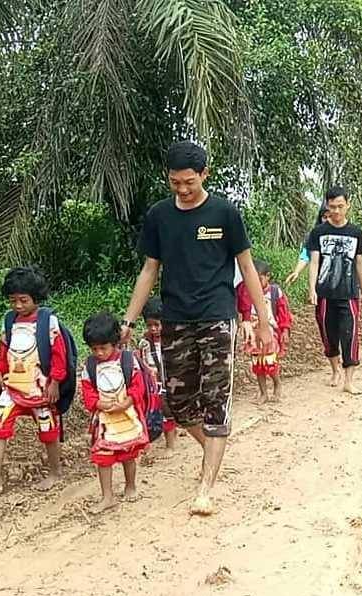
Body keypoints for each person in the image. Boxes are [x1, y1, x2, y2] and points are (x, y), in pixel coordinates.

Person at [119, 141, 272, 516]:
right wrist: (128, 320)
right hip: (176, 317)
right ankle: (213, 450)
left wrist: (262, 320)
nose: (183, 189)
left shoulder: (224, 213)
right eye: (175, 182)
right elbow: (149, 270)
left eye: (189, 181)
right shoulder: (159, 216)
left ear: (205, 175)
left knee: (215, 399)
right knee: (180, 404)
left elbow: (247, 268)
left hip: (217, 315)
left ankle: (205, 487)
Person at [0, 266, 66, 498]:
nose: (18, 306)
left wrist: (55, 382)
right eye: (13, 301)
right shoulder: (9, 321)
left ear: (36, 298)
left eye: (23, 300)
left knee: (48, 429)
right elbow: (3, 350)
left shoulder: (49, 322)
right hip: (12, 386)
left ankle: (55, 472)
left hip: (39, 389)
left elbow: (59, 355)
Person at [81, 312, 150, 514]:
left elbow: (138, 385)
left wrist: (127, 402)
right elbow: (87, 390)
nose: (99, 353)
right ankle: (107, 496)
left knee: (128, 454)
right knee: (102, 456)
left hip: (127, 416)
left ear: (115, 342)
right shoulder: (90, 366)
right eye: (94, 349)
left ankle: (130, 485)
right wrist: (99, 404)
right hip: (104, 421)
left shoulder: (128, 360)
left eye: (103, 348)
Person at [308, 186, 362, 394]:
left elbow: (359, 262)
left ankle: (349, 380)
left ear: (348, 205)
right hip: (324, 293)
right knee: (328, 334)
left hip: (349, 293)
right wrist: (312, 288)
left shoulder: (355, 232)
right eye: (332, 207)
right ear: (327, 205)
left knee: (350, 335)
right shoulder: (318, 232)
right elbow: (314, 262)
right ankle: (335, 370)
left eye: (340, 206)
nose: (336, 211)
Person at [237, 259, 293, 403]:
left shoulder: (275, 292)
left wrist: (285, 330)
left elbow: (284, 313)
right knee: (257, 363)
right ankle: (263, 393)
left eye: (259, 279)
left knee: (269, 360)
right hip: (253, 333)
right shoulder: (246, 291)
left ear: (268, 276)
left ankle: (276, 383)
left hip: (270, 332)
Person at [138, 296, 178, 451]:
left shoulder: (172, 338)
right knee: (155, 411)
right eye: (149, 325)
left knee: (168, 413)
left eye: (157, 324)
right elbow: (142, 362)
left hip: (170, 380)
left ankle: (170, 445)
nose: (153, 329)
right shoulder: (145, 343)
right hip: (153, 384)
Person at [285, 205, 330, 285]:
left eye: (330, 216)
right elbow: (305, 255)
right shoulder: (314, 235)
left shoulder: (345, 234)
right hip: (319, 280)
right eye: (324, 217)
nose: (327, 220)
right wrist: (296, 271)